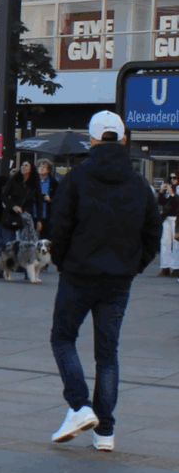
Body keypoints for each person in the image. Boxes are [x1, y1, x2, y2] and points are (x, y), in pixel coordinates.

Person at [47, 111, 161, 449]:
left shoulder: (77, 177)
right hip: (118, 279)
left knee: (63, 338)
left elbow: (59, 225)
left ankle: (79, 405)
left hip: (78, 274)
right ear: (123, 139)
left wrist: (62, 261)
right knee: (107, 353)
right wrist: (134, 265)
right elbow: (152, 233)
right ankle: (105, 432)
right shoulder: (139, 183)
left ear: (92, 139)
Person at [158, 178, 179, 277]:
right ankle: (165, 267)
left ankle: (176, 268)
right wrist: (162, 192)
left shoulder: (176, 189)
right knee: (165, 242)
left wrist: (173, 194)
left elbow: (176, 203)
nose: (173, 180)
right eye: (171, 178)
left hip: (176, 218)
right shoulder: (170, 189)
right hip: (167, 218)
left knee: (176, 243)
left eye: (175, 178)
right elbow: (161, 202)